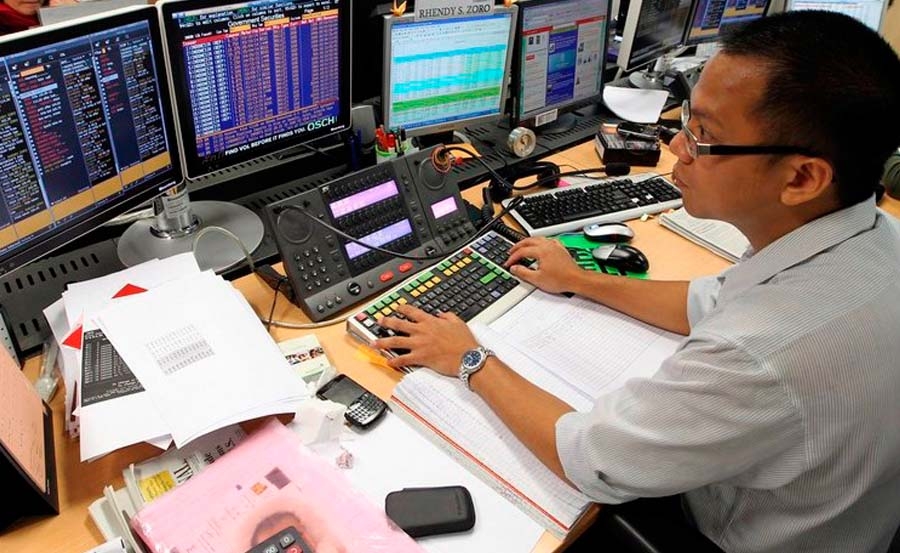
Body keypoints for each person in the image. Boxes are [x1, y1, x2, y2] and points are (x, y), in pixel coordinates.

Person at [374, 11, 900, 553]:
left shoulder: (764, 354)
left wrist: (471, 359)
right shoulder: (873, 235)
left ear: (802, 177)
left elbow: (592, 459)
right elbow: (708, 299)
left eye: (704, 135)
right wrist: (580, 279)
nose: (677, 147)